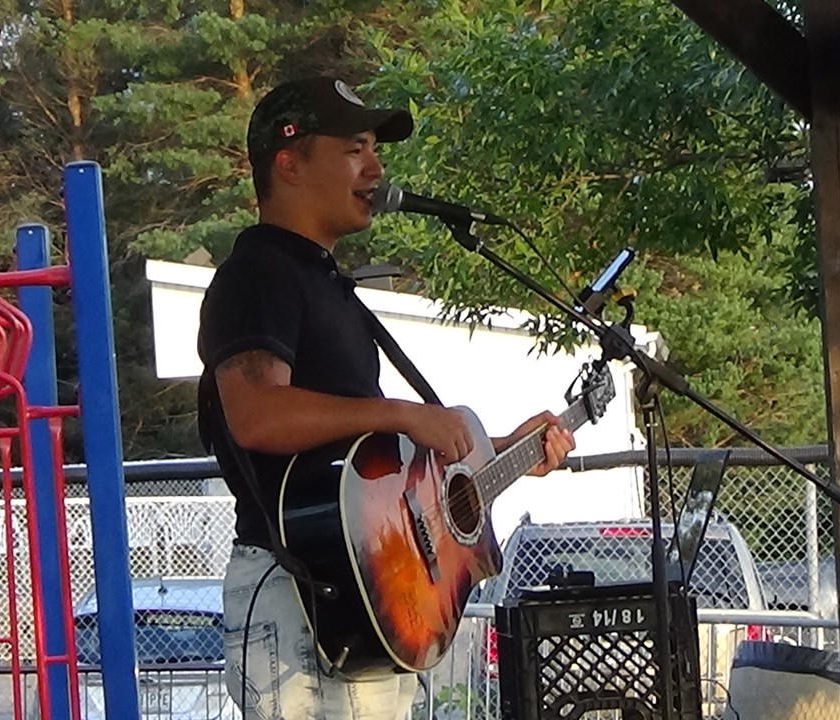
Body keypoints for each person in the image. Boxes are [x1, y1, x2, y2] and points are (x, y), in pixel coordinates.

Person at [196, 76, 576, 720]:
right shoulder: (257, 275)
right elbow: (257, 414)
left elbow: (367, 472)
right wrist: (402, 413)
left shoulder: (324, 283)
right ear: (289, 164)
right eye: (355, 150)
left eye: (374, 150)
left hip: (364, 600)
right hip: (302, 594)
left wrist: (504, 449)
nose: (375, 169)